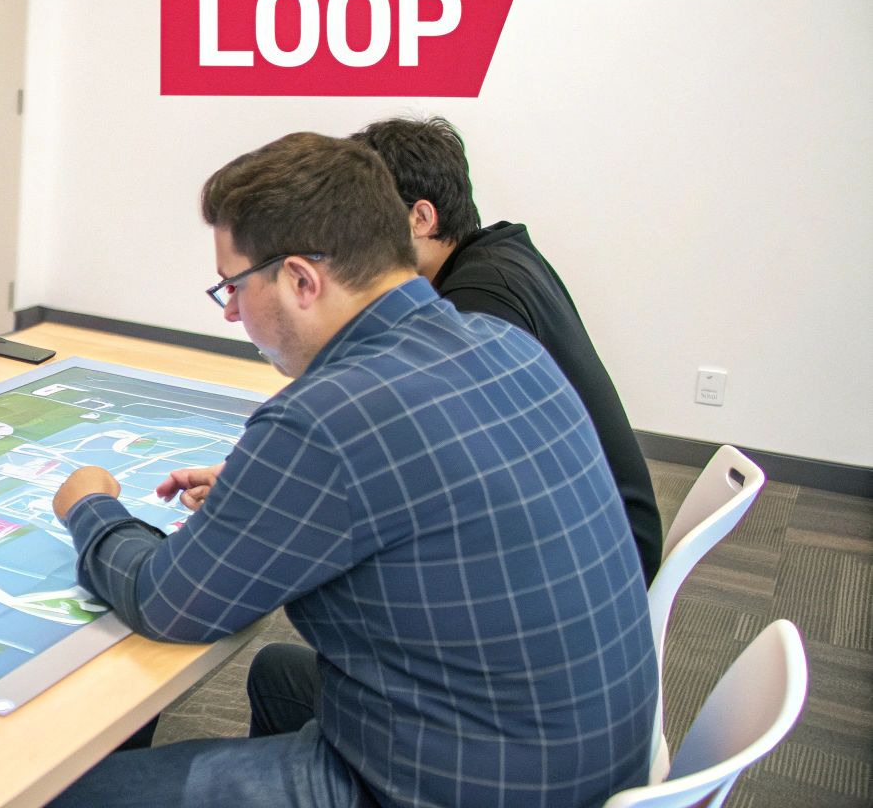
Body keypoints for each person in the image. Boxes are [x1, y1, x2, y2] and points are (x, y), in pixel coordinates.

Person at [47, 133, 655, 808]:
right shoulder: (504, 340)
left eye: (235, 286)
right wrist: (266, 495)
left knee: (65, 793)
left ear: (303, 281)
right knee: (280, 677)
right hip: (589, 762)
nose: (229, 311)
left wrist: (91, 507)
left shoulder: (327, 417)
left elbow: (170, 601)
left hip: (461, 787)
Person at [351, 115, 662, 581]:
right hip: (608, 524)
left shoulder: (478, 302)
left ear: (420, 218)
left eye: (361, 218)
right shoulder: (499, 255)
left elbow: (440, 457)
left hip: (601, 557)